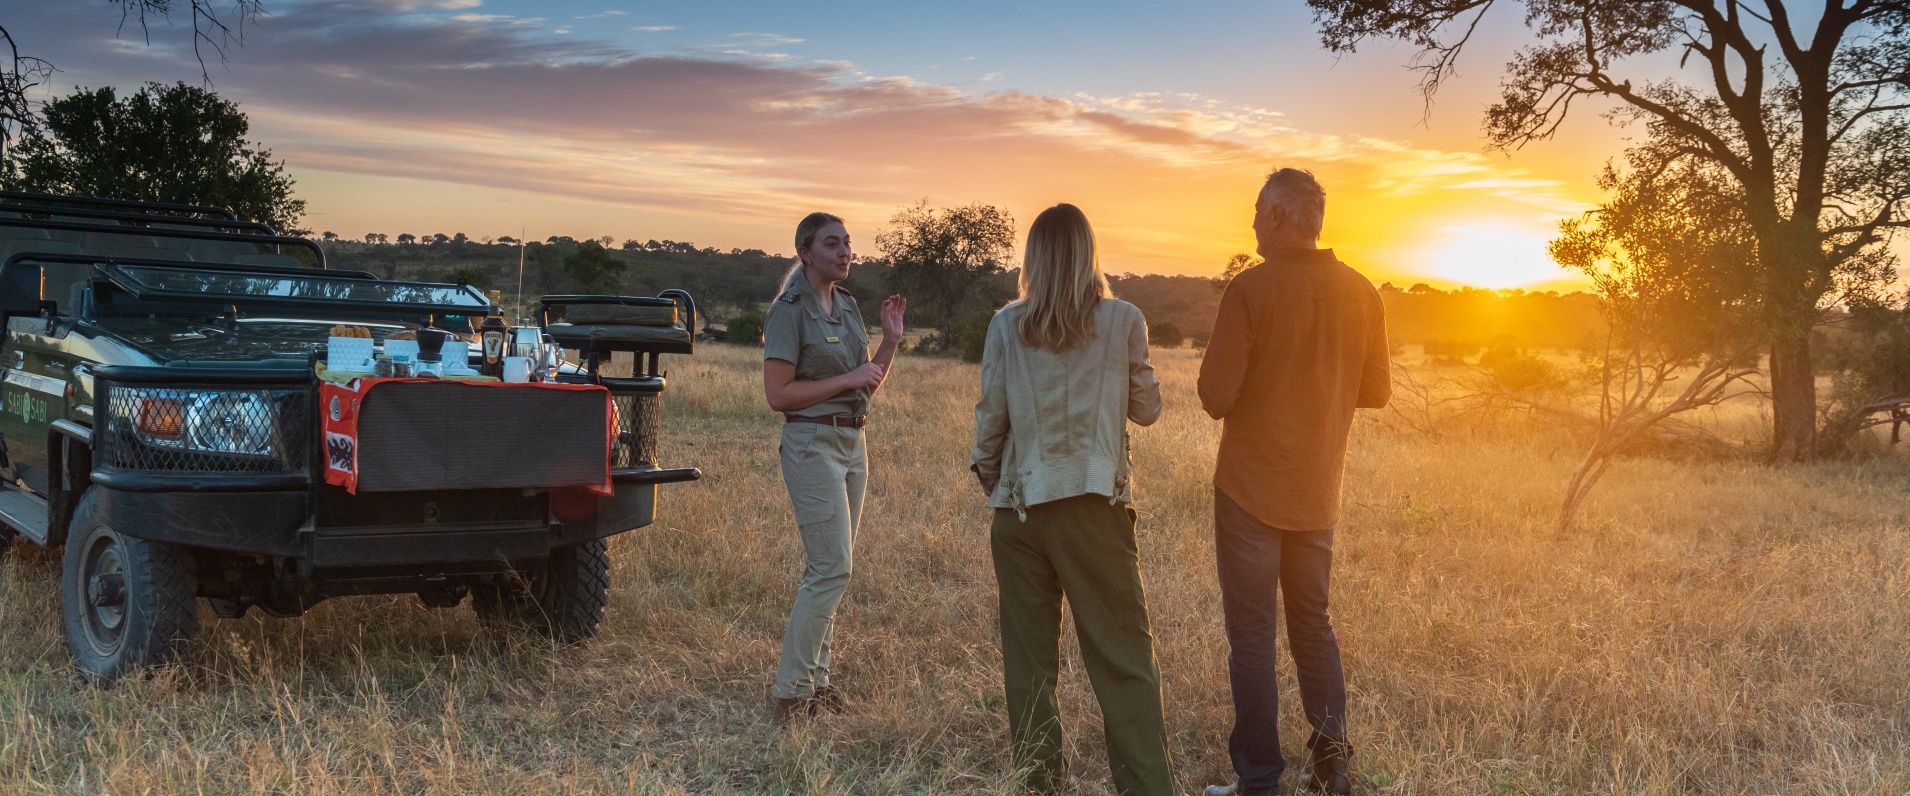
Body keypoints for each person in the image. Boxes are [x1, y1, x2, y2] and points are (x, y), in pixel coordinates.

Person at [1198, 169, 1390, 796]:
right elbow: (1377, 392)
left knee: (1251, 638)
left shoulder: (1248, 290)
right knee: (1314, 625)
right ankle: (1332, 766)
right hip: (1318, 493)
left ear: (1280, 216)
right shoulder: (1363, 293)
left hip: (1250, 492)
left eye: (1258, 211)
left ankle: (1259, 780)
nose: (1252, 222)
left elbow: (1214, 395)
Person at [971, 203, 1174, 796]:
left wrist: (993, 480)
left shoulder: (1006, 324)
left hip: (1019, 508)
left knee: (1028, 668)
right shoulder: (1124, 319)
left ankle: (1039, 785)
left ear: (1032, 258)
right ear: (1090, 253)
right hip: (1094, 509)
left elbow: (991, 422)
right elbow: (1149, 410)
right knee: (1124, 664)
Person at [762, 212, 907, 721]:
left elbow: (865, 382)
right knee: (832, 567)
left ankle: (818, 684)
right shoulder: (789, 310)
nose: (845, 251)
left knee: (832, 568)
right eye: (832, 243)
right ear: (805, 251)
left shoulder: (847, 307)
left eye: (847, 243)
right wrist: (846, 380)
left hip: (852, 444)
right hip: (811, 443)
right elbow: (778, 395)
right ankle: (791, 693)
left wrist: (889, 341)